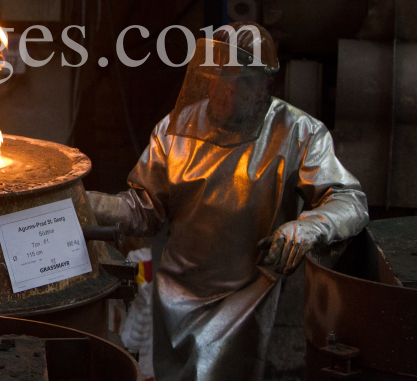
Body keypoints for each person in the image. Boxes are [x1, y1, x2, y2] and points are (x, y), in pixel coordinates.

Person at [88, 21, 368, 381]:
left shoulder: (297, 132)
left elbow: (349, 199)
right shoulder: (177, 128)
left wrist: (309, 227)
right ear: (207, 76)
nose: (229, 91)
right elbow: (146, 206)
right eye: (222, 77)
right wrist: (96, 206)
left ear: (266, 84)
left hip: (245, 296)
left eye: (245, 80)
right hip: (176, 291)